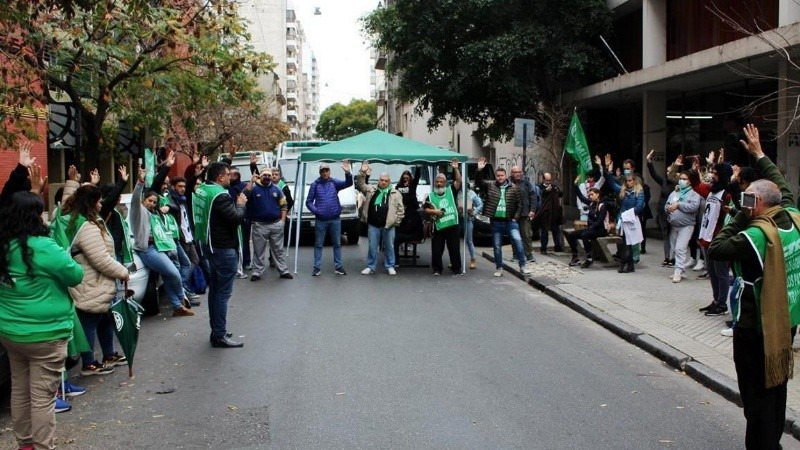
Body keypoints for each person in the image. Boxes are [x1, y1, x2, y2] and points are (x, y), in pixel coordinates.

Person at [708, 124, 800, 450]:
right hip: (785, 321)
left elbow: (717, 249)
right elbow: (783, 187)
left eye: (749, 198)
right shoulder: (792, 216)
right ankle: (773, 440)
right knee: (776, 386)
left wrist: (741, 216)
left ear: (757, 202)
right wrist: (760, 154)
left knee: (755, 395)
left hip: (756, 324)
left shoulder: (756, 235)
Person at [0, 191, 84, 450]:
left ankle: (25, 444)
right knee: (42, 398)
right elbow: (75, 275)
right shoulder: (44, 246)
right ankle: (42, 446)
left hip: (11, 332)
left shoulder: (3, 247)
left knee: (20, 389)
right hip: (47, 334)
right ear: (35, 216)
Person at [53, 184, 131, 376]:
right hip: (91, 281)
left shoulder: (73, 218)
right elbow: (100, 259)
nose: (101, 204)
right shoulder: (86, 226)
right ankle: (89, 363)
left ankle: (109, 354)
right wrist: (122, 272)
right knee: (89, 321)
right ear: (91, 203)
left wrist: (73, 182)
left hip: (91, 280)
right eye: (98, 201)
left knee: (104, 318)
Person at [193, 162, 248, 348]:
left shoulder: (203, 189)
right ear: (220, 177)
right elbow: (236, 218)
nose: (230, 177)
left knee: (216, 291)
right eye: (228, 174)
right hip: (223, 248)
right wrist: (241, 205)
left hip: (210, 246)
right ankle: (219, 335)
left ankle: (217, 331)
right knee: (222, 294)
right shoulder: (220, 196)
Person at [130, 167, 195, 317]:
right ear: (143, 200)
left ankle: (177, 307)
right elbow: (134, 200)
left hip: (162, 247)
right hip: (148, 249)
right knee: (174, 273)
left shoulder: (155, 214)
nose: (152, 204)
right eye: (149, 201)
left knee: (168, 275)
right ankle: (181, 298)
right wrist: (140, 182)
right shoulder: (139, 212)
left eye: (154, 202)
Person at [691, 157, 734, 316]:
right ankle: (716, 300)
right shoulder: (711, 190)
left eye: (716, 174)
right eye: (712, 173)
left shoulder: (728, 195)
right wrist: (694, 170)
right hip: (707, 238)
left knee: (721, 273)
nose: (712, 176)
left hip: (719, 240)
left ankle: (722, 304)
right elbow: (696, 185)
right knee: (712, 273)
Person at [475, 157, 531, 277]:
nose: (500, 177)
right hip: (496, 222)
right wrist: (479, 170)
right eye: (498, 175)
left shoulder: (514, 188)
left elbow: (520, 204)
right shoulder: (490, 185)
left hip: (510, 221)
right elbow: (479, 182)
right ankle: (499, 267)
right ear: (496, 176)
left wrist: (516, 217)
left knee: (518, 241)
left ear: (506, 176)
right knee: (497, 246)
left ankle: (523, 266)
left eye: (502, 175)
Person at [356, 161, 405, 275]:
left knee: (389, 247)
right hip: (373, 224)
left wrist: (396, 222)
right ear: (378, 180)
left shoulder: (395, 193)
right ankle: (370, 266)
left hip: (389, 225)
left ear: (389, 182)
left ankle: (390, 266)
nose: (383, 182)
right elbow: (360, 184)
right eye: (381, 180)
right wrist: (362, 172)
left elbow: (400, 210)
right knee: (372, 247)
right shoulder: (371, 190)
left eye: (386, 181)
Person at [305, 160, 353, 276]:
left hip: (335, 218)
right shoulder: (315, 185)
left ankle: (338, 266)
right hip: (321, 220)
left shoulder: (334, 182)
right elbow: (308, 202)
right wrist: (317, 211)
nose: (325, 173)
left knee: (337, 243)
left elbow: (348, 183)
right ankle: (317, 267)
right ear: (320, 173)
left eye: (327, 170)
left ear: (329, 172)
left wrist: (347, 173)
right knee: (318, 244)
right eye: (323, 171)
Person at [244, 167, 293, 281]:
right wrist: (251, 181)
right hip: (259, 225)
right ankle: (257, 272)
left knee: (278, 250)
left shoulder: (277, 189)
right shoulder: (253, 188)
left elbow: (284, 205)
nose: (267, 177)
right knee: (258, 250)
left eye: (269, 175)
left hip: (276, 224)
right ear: (260, 176)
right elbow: (244, 195)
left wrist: (282, 221)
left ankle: (283, 271)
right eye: (264, 175)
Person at [423, 159, 463, 275]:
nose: (439, 184)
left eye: (441, 182)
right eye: (437, 182)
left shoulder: (451, 191)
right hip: (439, 226)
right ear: (435, 183)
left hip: (452, 225)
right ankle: (437, 269)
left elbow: (458, 181)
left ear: (445, 183)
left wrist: (456, 168)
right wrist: (434, 211)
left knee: (454, 249)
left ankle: (456, 269)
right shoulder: (431, 196)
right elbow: (425, 209)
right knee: (437, 249)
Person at [665, 171, 701, 283]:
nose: (681, 181)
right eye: (680, 178)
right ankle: (682, 270)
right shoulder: (675, 192)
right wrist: (668, 208)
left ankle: (678, 271)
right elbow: (667, 204)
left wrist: (679, 205)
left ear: (690, 181)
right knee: (675, 249)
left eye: (684, 179)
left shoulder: (694, 193)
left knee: (680, 248)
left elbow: (693, 207)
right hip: (674, 225)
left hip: (686, 226)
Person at [646, 150, 680, 267]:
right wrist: (649, 162)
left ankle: (674, 258)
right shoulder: (664, 181)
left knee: (674, 235)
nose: (668, 173)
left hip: (675, 212)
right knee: (665, 234)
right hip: (662, 211)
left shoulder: (678, 183)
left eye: (670, 171)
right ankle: (667, 257)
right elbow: (654, 174)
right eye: (667, 171)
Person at [606, 172, 645, 273]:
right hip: (623, 220)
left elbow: (639, 206)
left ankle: (623, 264)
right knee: (625, 244)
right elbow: (612, 184)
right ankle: (630, 266)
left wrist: (627, 214)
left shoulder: (639, 191)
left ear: (634, 181)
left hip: (632, 220)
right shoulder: (623, 190)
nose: (628, 183)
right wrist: (609, 172)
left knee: (628, 244)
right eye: (627, 181)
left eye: (630, 181)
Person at [568, 187, 609, 268]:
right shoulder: (591, 203)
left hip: (601, 230)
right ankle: (575, 257)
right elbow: (581, 197)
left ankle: (589, 258)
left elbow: (599, 222)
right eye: (589, 195)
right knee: (572, 235)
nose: (590, 196)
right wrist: (575, 186)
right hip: (592, 229)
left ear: (597, 194)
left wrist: (589, 228)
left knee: (584, 235)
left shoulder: (602, 206)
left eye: (592, 194)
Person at [510, 165, 539, 263]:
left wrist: (532, 210)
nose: (518, 174)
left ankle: (529, 255)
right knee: (514, 235)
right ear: (512, 173)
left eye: (519, 172)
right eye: (515, 172)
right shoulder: (508, 183)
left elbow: (533, 197)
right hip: (512, 215)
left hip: (525, 213)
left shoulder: (526, 183)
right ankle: (516, 255)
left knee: (527, 235)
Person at [536, 172, 564, 254]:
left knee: (556, 230)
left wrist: (557, 189)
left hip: (554, 212)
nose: (548, 182)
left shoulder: (553, 186)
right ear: (543, 179)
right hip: (545, 212)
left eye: (549, 180)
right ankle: (543, 248)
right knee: (544, 231)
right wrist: (545, 191)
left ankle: (558, 247)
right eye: (547, 180)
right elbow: (538, 195)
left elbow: (560, 194)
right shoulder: (539, 187)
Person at [457, 188, 483, 269]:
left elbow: (480, 204)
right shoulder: (456, 192)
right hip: (458, 219)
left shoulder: (472, 193)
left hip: (468, 220)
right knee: (455, 241)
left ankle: (473, 259)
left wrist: (473, 212)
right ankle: (454, 260)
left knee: (469, 241)